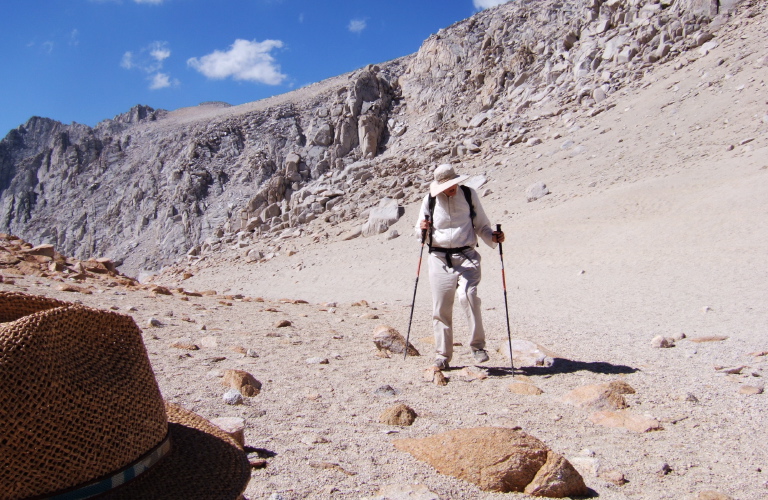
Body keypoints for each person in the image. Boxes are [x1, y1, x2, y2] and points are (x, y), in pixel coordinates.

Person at [414, 164, 504, 370]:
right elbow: (420, 232)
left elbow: (482, 225)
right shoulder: (429, 200)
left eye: (454, 183)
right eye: (447, 185)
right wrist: (422, 229)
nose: (452, 188)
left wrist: (494, 237)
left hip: (467, 256)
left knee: (468, 295)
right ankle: (442, 355)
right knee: (441, 307)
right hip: (438, 258)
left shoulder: (469, 194)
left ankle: (478, 346)